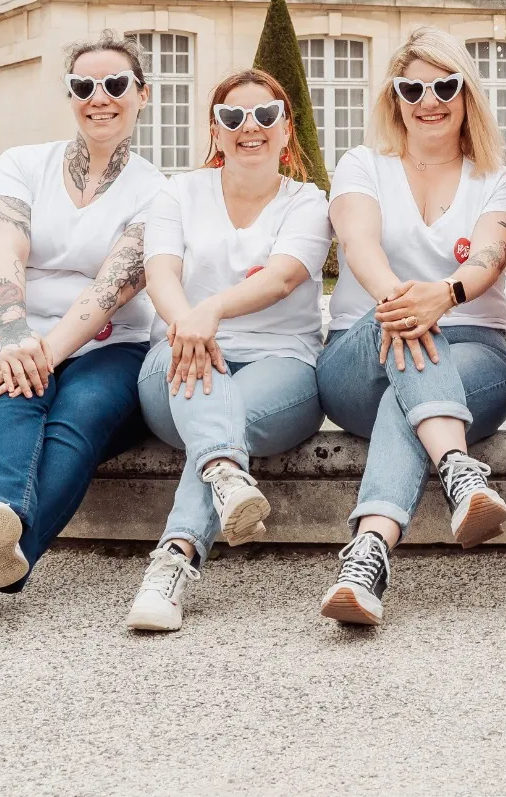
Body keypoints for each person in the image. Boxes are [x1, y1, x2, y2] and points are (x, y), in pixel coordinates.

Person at [0, 33, 167, 621]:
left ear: (142, 96)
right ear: (71, 95)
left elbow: (111, 288)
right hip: (12, 339)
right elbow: (2, 253)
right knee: (9, 384)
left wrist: (44, 353)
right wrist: (15, 339)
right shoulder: (22, 163)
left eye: (115, 84)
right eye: (84, 86)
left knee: (76, 411)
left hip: (110, 348)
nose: (99, 97)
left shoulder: (159, 191)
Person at [316, 27, 506, 625]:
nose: (428, 99)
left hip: (475, 356)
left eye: (444, 85)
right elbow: (357, 241)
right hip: (359, 353)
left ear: (467, 93)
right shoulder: (363, 165)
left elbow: (488, 256)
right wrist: (404, 303)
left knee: (406, 401)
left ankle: (370, 552)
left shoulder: (499, 176)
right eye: (413, 87)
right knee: (408, 337)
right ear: (395, 97)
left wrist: (447, 294)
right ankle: (458, 470)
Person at [124, 69, 329, 631]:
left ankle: (173, 562)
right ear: (215, 131)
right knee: (207, 398)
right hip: (180, 355)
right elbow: (160, 270)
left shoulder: (308, 202)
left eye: (265, 116)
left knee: (219, 422)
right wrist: (188, 322)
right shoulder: (179, 192)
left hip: (280, 362)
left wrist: (211, 310)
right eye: (233, 117)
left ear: (287, 132)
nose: (250, 128)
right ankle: (225, 472)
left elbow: (284, 278)